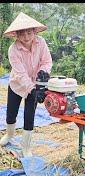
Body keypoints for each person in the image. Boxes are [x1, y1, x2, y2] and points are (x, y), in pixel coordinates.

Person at [0, 12, 52, 157]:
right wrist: (32, 89)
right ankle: (9, 135)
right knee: (11, 114)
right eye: (22, 33)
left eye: (29, 32)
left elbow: (47, 61)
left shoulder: (41, 43)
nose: (26, 37)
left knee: (30, 115)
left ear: (34, 31)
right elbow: (20, 73)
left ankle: (26, 147)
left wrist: (43, 72)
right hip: (17, 85)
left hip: (35, 84)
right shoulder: (13, 49)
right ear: (16, 34)